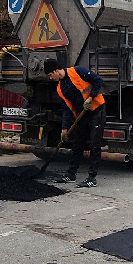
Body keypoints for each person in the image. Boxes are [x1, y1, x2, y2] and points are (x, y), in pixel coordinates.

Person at [43, 59, 106, 188]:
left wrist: (90, 97)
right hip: (81, 115)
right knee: (77, 143)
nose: (50, 78)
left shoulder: (77, 71)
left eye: (50, 75)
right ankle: (71, 174)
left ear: (56, 70)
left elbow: (98, 80)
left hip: (96, 109)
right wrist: (64, 129)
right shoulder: (60, 88)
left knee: (94, 143)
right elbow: (66, 109)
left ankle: (92, 178)